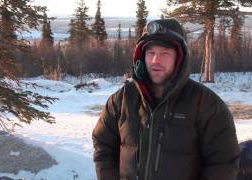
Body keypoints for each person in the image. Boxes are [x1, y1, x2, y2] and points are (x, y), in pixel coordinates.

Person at [92, 18, 240, 180]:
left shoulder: (207, 105)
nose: (156, 60)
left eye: (165, 53)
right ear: (141, 57)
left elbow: (223, 164)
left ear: (179, 58)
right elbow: (103, 145)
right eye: (151, 53)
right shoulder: (122, 100)